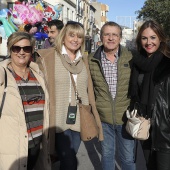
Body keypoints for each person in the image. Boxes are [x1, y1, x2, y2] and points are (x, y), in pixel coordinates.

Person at [35, 21, 103, 170]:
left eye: (79, 37)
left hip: (80, 118)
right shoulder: (50, 57)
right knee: (70, 161)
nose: (75, 40)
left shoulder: (84, 60)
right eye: (71, 35)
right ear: (63, 36)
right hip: (58, 118)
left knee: (68, 159)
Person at [88, 21, 136, 170]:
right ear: (101, 37)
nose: (110, 38)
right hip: (103, 119)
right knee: (107, 155)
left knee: (128, 158)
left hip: (126, 118)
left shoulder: (131, 57)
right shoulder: (90, 60)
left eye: (114, 34)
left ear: (120, 38)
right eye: (107, 34)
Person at [0, 32, 50, 170]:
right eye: (16, 48)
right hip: (13, 146)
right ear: (10, 49)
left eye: (26, 49)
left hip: (37, 144)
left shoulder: (38, 73)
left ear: (32, 50)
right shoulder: (3, 74)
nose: (21, 52)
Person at [129, 19, 170, 170]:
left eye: (153, 37)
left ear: (160, 38)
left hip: (165, 128)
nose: (148, 42)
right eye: (144, 38)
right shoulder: (137, 62)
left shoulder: (167, 62)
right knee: (149, 166)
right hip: (144, 124)